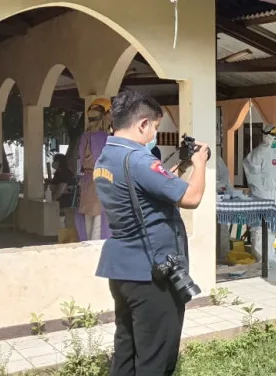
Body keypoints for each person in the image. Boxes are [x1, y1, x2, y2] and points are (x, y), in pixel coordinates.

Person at [93, 90, 209, 376]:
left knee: (127, 349)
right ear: (142, 124)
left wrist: (180, 167)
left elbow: (148, 188)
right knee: (155, 357)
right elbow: (191, 198)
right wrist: (201, 164)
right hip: (152, 273)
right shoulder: (139, 161)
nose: (154, 135)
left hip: (123, 270)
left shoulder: (106, 158)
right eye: (155, 127)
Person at [244, 124, 276, 269]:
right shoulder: (257, 154)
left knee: (271, 229)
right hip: (260, 196)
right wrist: (260, 194)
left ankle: (270, 257)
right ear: (267, 136)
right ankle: (261, 258)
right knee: (259, 228)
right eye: (275, 136)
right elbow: (253, 176)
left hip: (272, 196)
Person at [76, 97, 112, 241]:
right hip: (102, 183)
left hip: (86, 184)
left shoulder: (85, 136)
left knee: (88, 226)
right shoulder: (104, 138)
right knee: (100, 230)